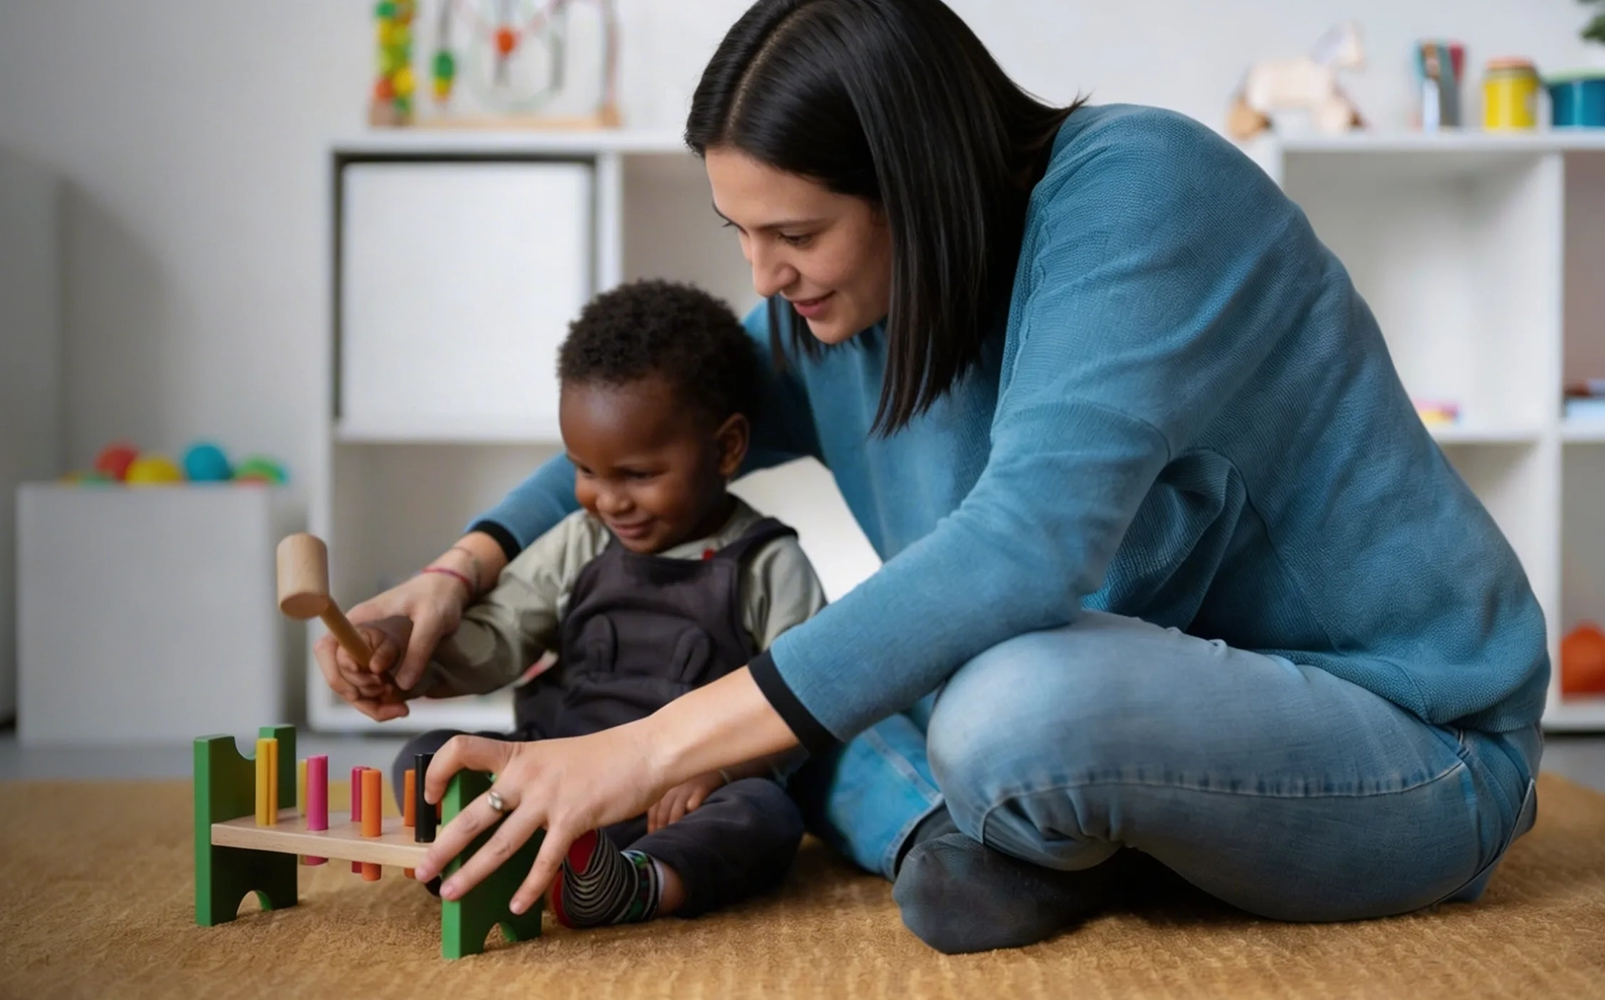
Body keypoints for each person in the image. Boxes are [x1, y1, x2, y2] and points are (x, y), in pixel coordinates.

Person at [326, 0, 1547, 955]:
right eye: (738, 234)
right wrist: (460, 566)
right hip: (1138, 710)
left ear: (916, 183)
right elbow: (669, 421)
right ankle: (954, 838)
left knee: (999, 706)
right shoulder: (845, 313)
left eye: (794, 235)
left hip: (1407, 741)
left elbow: (1027, 545)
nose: (762, 277)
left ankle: (1008, 820)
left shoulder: (1140, 191)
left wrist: (640, 750)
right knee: (820, 693)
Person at [331, 279, 826, 929]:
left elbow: (801, 702)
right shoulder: (579, 539)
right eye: (586, 472)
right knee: (430, 756)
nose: (608, 500)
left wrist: (723, 770)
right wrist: (406, 649)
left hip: (671, 800)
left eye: (639, 475)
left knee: (767, 813)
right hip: (551, 762)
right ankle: (511, 855)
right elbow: (500, 635)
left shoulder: (769, 563)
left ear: (728, 447)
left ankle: (638, 884)